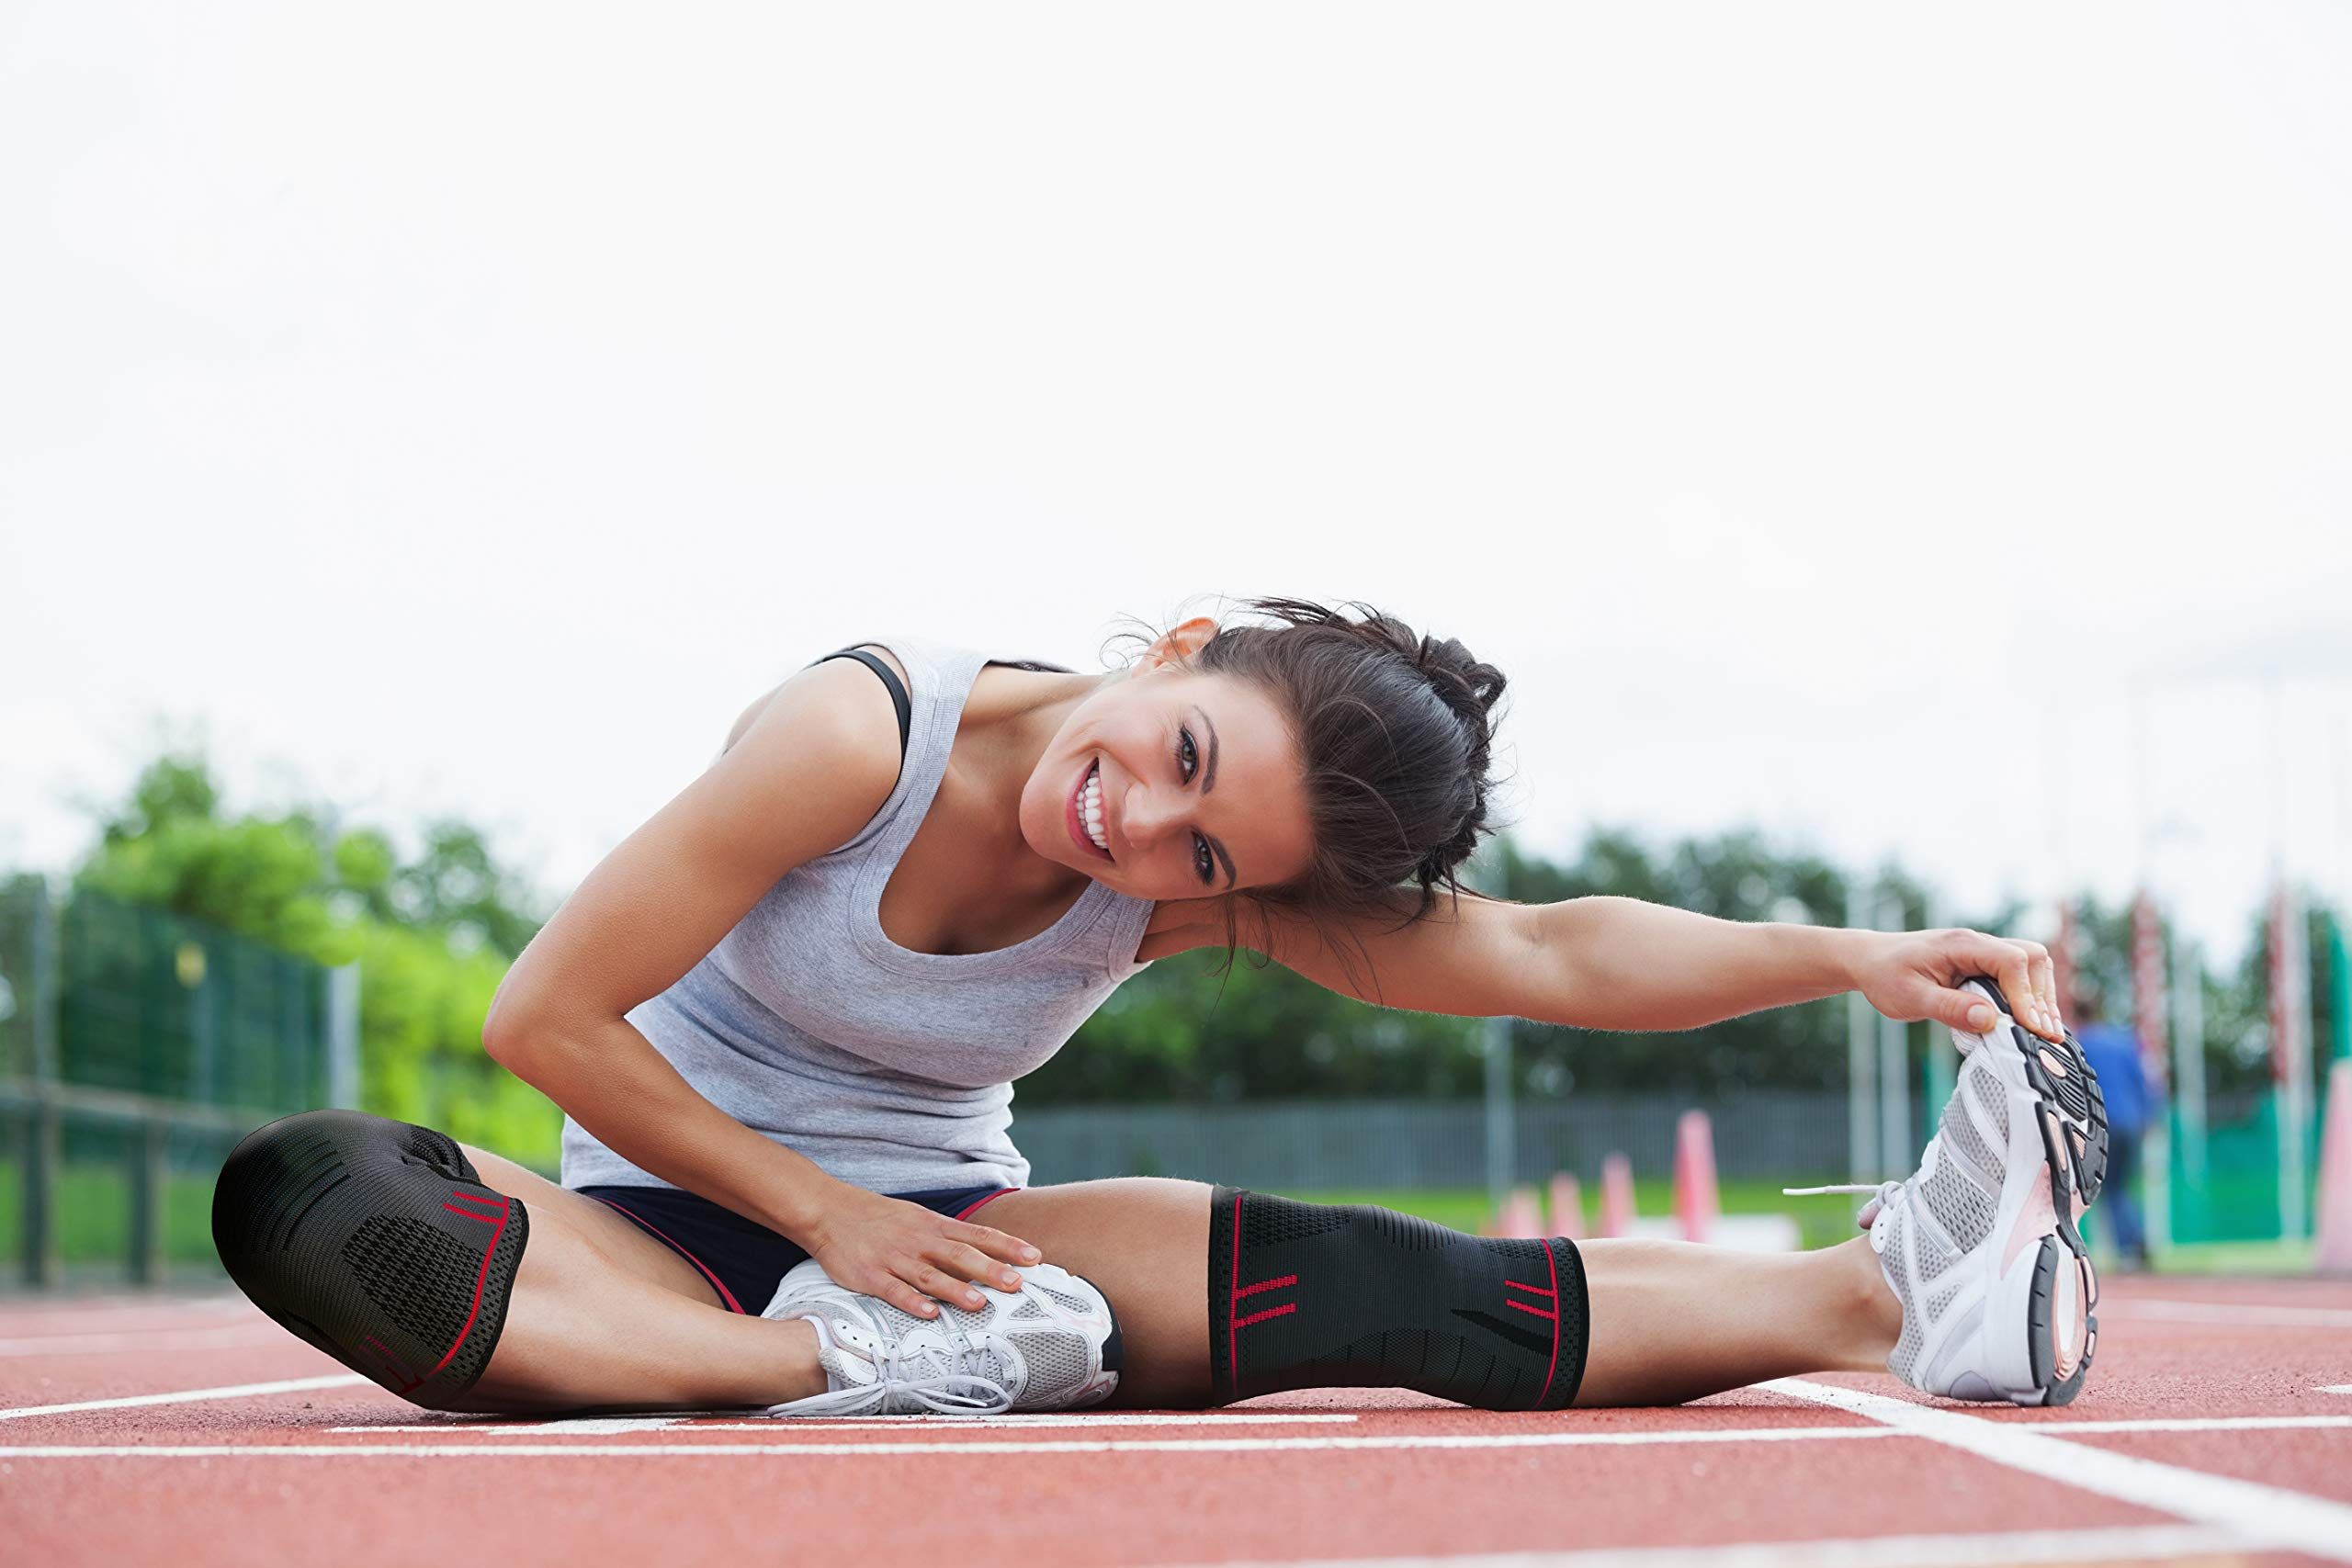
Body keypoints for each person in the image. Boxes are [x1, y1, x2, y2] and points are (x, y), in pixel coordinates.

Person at [211, 598, 2107, 1418]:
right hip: (663, 1234)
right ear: (1177, 649)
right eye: (1175, 751)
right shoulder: (855, 735)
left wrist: (1846, 959)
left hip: (969, 1252)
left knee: (1378, 1286)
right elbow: (548, 1016)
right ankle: (819, 1372)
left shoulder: (1178, 890)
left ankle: (1881, 1296)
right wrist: (822, 1245)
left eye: (1201, 856)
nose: (1137, 822)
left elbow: (1535, 954)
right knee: (316, 1192)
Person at [2074, 986, 2153, 1269]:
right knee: (2121, 1186)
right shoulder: (2124, 1042)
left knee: (2111, 1188)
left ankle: (2130, 1245)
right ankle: (2134, 1239)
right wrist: (2149, 1119)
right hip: (2131, 1122)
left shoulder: (2079, 1045)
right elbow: (2145, 1083)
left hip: (2102, 1125)